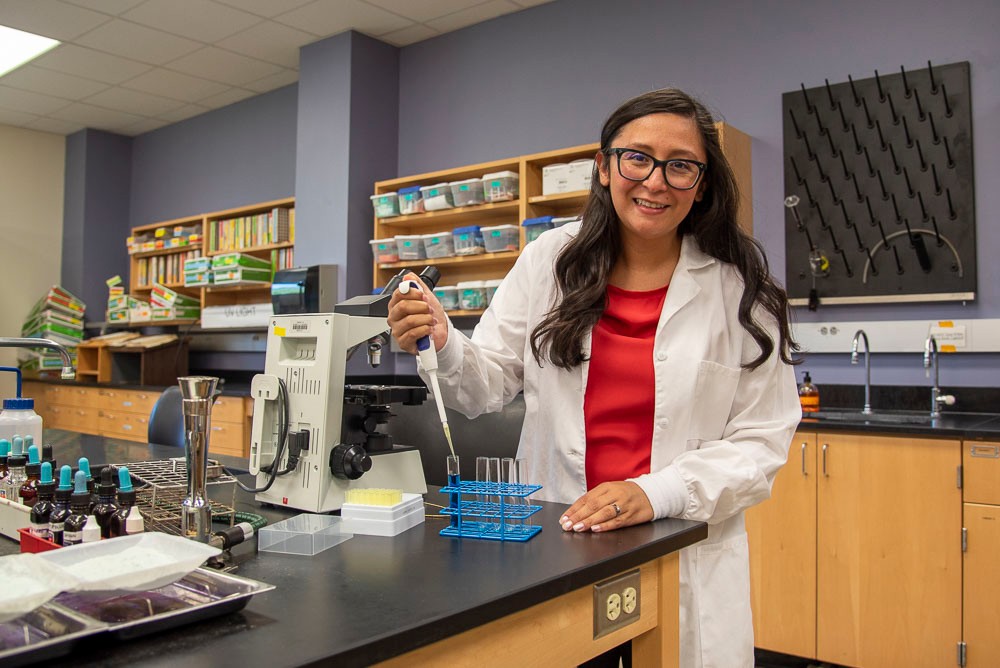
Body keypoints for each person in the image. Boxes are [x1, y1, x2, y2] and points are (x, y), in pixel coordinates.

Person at [388, 88, 801, 667]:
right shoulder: (548, 261)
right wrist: (441, 337)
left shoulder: (743, 292)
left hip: (679, 555)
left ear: (701, 183)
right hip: (559, 550)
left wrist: (653, 493)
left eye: (680, 165)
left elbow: (761, 442)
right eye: (637, 158)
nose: (655, 181)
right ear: (605, 167)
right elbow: (484, 384)